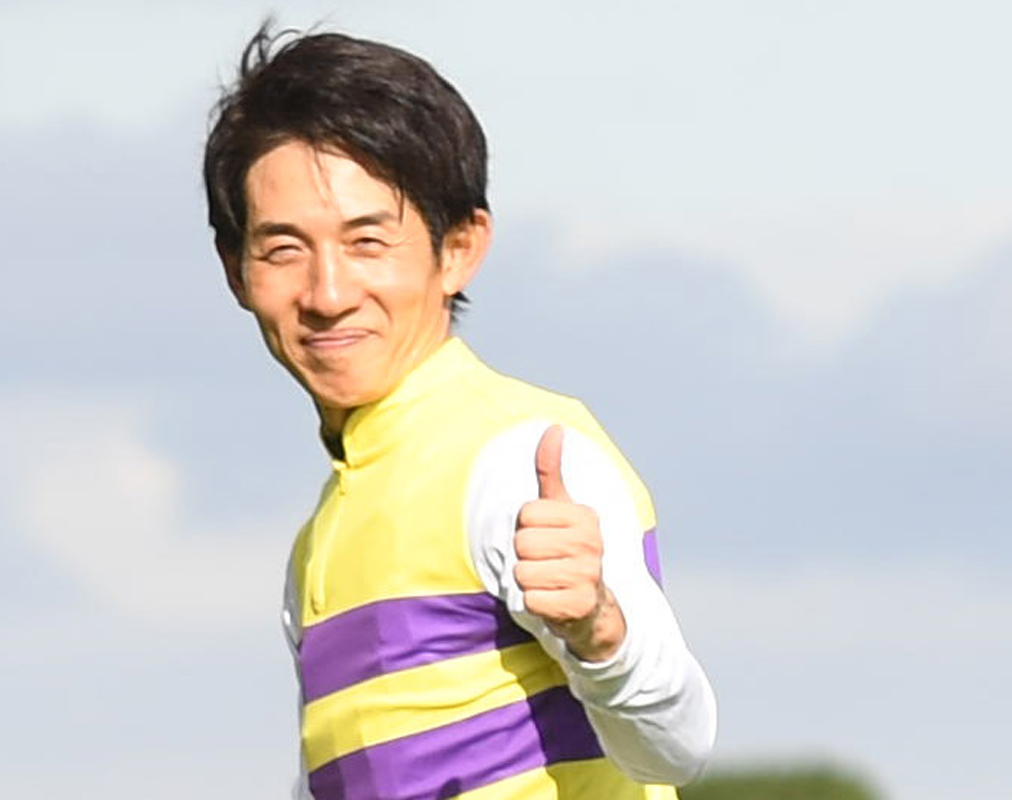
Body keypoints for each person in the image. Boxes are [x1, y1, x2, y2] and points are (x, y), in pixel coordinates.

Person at [203, 23, 716, 800]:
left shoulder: (520, 457)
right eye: (284, 249)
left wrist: (601, 630)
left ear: (460, 249)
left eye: (367, 241)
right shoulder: (319, 540)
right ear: (236, 272)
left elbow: (677, 745)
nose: (328, 293)